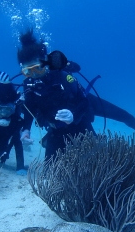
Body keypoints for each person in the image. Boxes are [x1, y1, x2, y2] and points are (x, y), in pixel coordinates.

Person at [17, 30, 95, 159]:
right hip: (55, 132)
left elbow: (84, 101)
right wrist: (26, 130)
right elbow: (29, 110)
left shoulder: (63, 76)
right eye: (28, 71)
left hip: (80, 126)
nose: (34, 74)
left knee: (97, 162)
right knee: (50, 173)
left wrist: (73, 116)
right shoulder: (29, 86)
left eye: (38, 68)